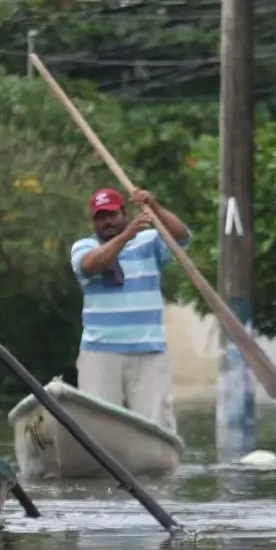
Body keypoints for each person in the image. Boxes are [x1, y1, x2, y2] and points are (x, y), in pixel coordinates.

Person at [70, 186, 190, 433]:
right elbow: (90, 266)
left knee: (155, 426)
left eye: (112, 215)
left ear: (124, 213)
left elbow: (181, 237)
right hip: (99, 353)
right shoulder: (84, 247)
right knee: (97, 428)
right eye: (100, 218)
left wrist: (153, 205)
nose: (107, 222)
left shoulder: (150, 241)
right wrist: (127, 235)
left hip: (148, 350)